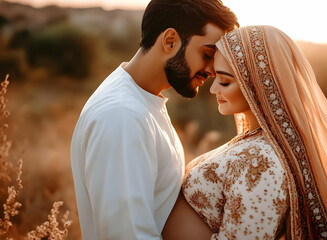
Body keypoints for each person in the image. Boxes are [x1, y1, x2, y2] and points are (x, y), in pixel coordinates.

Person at [162, 25, 327, 239]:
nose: (213, 89)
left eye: (225, 81)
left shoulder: (262, 162)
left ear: (258, 83)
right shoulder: (255, 144)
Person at [70, 0, 239, 239]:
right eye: (207, 54)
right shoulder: (122, 115)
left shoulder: (142, 100)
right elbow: (127, 234)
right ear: (170, 41)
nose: (212, 70)